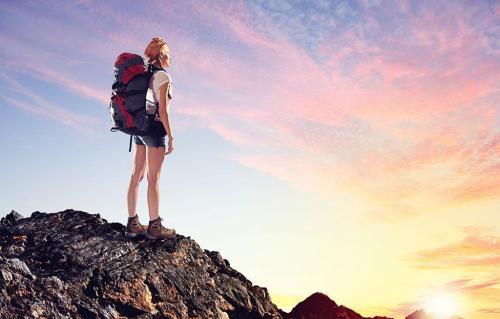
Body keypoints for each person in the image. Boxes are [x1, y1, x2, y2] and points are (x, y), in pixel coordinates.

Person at [125, 36, 176, 240]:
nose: (170, 60)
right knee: (153, 179)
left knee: (136, 175)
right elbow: (163, 111)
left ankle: (132, 224)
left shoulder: (145, 74)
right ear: (162, 55)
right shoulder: (163, 77)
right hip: (154, 130)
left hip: (139, 127)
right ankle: (155, 226)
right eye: (169, 55)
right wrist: (171, 136)